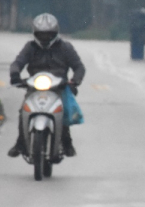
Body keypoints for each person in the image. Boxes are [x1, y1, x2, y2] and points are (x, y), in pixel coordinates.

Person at [8, 13, 86, 158]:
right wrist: (15, 75)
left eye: (48, 35)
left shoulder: (65, 48)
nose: (45, 38)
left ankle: (67, 142)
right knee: (23, 112)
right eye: (41, 35)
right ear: (35, 34)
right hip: (34, 88)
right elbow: (17, 63)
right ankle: (20, 143)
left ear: (55, 33)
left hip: (59, 88)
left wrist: (74, 81)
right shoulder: (30, 47)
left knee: (64, 112)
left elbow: (79, 67)